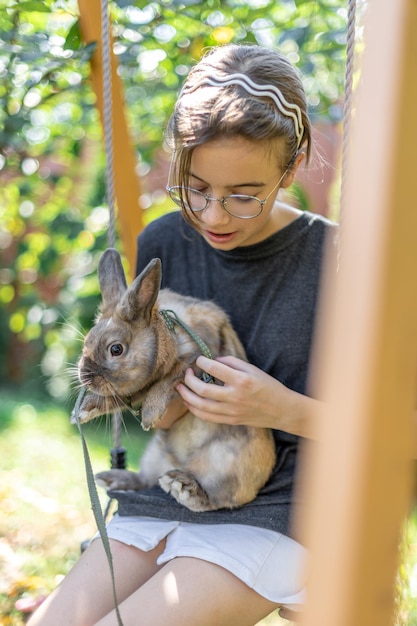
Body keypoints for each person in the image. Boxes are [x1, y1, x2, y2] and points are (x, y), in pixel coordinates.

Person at [28, 43, 337, 626]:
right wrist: (150, 399)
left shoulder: (340, 259)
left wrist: (280, 408)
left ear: (293, 168)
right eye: (195, 189)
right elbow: (158, 399)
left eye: (243, 196)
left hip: (287, 509)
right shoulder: (165, 243)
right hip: (172, 484)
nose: (215, 216)